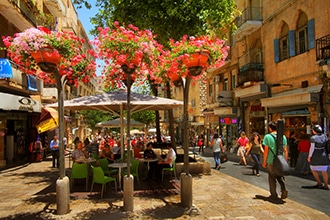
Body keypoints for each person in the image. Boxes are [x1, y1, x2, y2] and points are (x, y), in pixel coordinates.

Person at [262, 120, 289, 200]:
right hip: (281, 159)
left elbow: (266, 150)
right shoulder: (283, 137)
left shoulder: (267, 137)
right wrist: (285, 161)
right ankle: (283, 189)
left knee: (272, 177)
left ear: (270, 128)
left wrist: (264, 161)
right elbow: (285, 150)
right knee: (280, 175)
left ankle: (273, 194)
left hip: (271, 159)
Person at [307, 125, 330, 190]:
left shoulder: (313, 138)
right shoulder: (324, 136)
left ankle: (319, 182)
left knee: (313, 168)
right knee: (324, 170)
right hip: (323, 153)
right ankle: (326, 184)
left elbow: (312, 148)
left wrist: (309, 156)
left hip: (316, 154)